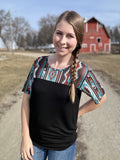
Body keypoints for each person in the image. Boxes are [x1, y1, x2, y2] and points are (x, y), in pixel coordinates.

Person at [20, 10, 106, 160]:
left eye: (70, 36)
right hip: (33, 143)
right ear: (53, 33)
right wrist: (25, 137)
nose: (62, 41)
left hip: (63, 148)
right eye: (59, 33)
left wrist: (77, 113)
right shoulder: (38, 64)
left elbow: (101, 97)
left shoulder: (80, 71)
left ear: (78, 40)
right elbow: (26, 99)